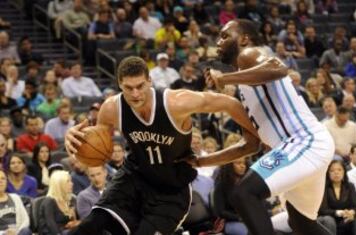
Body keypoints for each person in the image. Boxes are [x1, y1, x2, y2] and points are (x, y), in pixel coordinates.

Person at [65, 56, 260, 235]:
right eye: (128, 88)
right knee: (90, 225)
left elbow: (230, 103)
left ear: (150, 80)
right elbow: (94, 144)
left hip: (171, 190)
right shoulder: (111, 108)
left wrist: (257, 134)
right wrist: (74, 141)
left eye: (140, 86)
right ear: (119, 85)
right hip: (134, 178)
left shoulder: (176, 102)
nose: (135, 94)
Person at [201, 19, 335, 235]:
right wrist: (201, 161)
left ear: (244, 39)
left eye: (225, 36)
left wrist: (226, 78)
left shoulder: (250, 54)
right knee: (301, 223)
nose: (218, 42)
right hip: (303, 149)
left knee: (244, 193)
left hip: (304, 142)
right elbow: (249, 145)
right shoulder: (244, 87)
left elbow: (278, 68)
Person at [38, 170, 79, 235]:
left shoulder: (70, 199)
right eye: (68, 181)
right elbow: (50, 225)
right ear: (59, 184)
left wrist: (75, 223)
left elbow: (74, 220)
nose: (72, 184)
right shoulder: (49, 201)